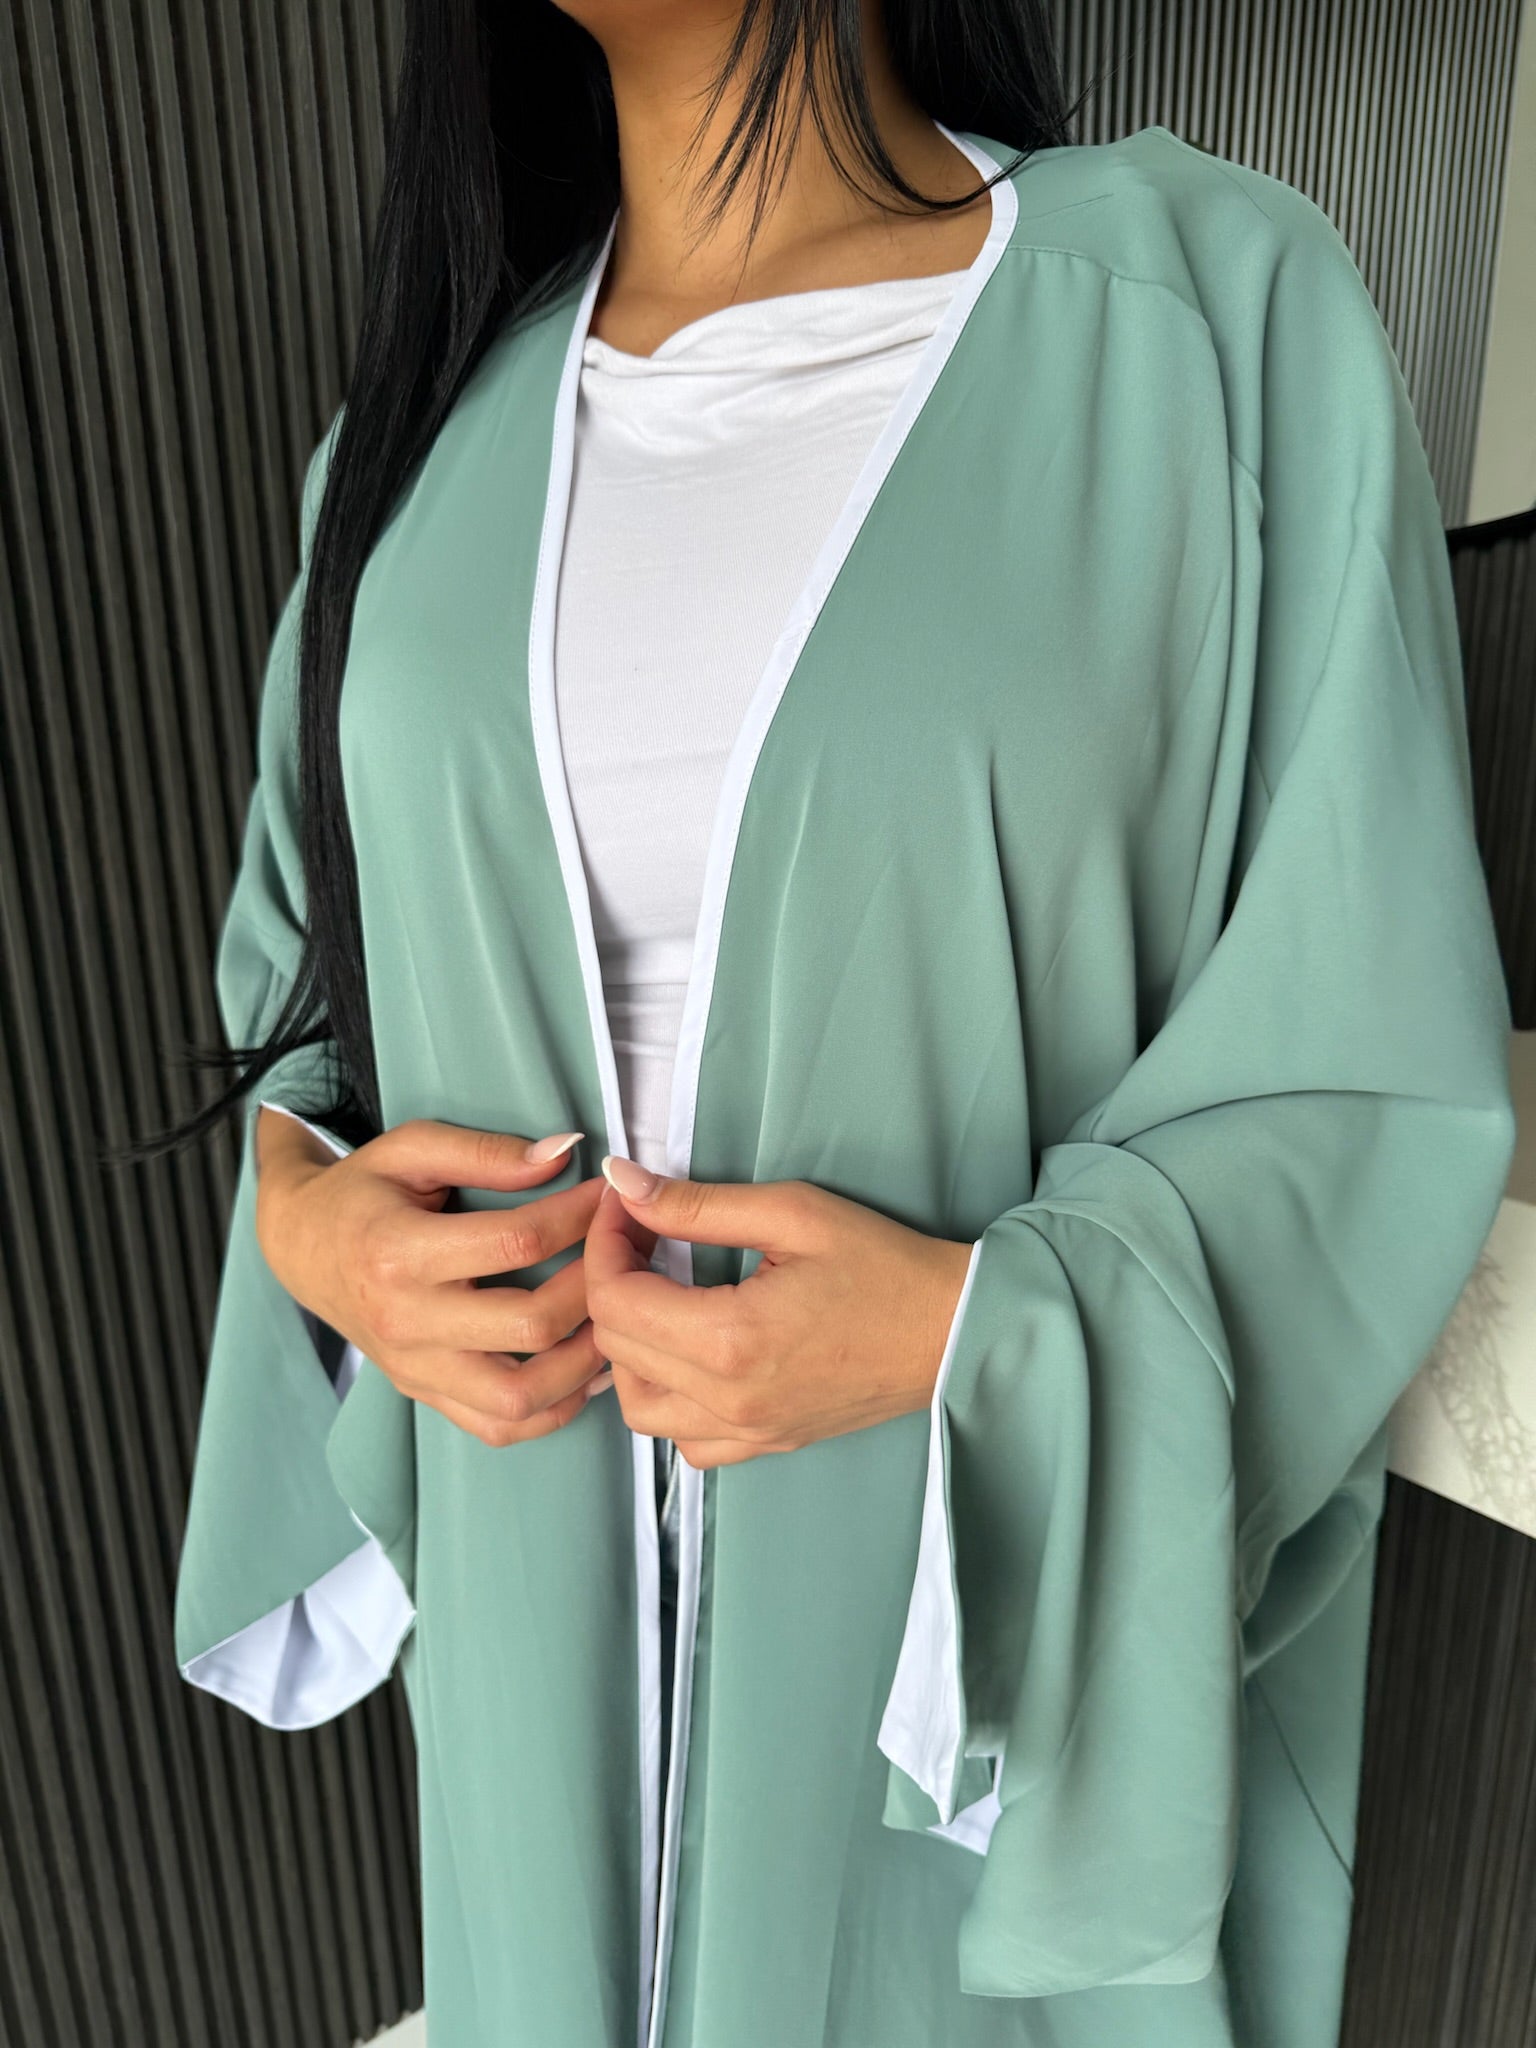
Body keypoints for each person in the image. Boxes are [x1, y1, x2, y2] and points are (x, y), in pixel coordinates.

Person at [158, 2, 1516, 2044]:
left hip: (952, 1710)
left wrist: (976, 1330)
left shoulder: (1210, 322)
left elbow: (1367, 1048)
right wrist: (313, 1229)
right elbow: (303, 999)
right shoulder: (408, 453)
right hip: (528, 1714)